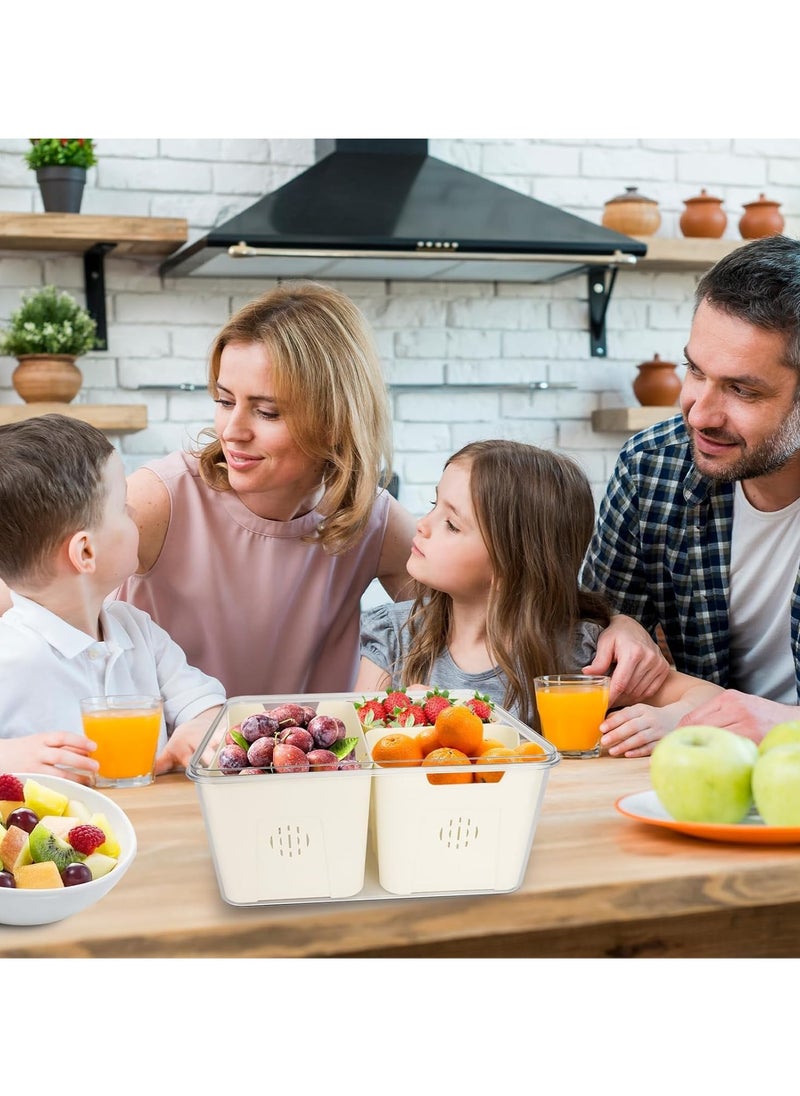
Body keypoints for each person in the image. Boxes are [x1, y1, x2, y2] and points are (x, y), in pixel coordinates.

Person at [110, 282, 416, 697]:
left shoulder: (370, 518)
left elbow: (462, 630)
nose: (232, 432)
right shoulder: (159, 499)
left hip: (311, 760)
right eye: (224, 401)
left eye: (266, 412)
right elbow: (26, 599)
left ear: (334, 420)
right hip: (164, 758)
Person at [356, 440, 722, 755]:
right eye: (434, 504)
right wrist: (397, 718)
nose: (422, 524)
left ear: (510, 563)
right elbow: (360, 746)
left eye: (452, 524)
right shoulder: (394, 636)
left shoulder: (582, 654)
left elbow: (711, 700)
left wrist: (669, 719)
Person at [580, 234, 800, 745]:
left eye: (742, 389)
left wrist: (785, 728)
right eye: (695, 370)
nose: (699, 413)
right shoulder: (652, 468)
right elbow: (585, 631)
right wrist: (618, 624)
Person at [0, 415, 225, 782]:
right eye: (122, 507)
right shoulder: (7, 654)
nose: (135, 513)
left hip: (155, 829)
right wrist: (5, 757)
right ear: (85, 552)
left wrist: (198, 728)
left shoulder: (139, 632)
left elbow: (205, 703)